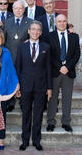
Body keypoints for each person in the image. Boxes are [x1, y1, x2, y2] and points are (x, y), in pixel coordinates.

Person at [16, 20, 52, 151]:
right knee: (26, 114)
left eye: (38, 30)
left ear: (41, 32)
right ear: (29, 31)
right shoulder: (21, 47)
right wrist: (17, 86)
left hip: (41, 87)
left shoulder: (46, 47)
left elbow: (48, 68)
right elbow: (18, 68)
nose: (35, 32)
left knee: (38, 115)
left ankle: (36, 141)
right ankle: (25, 141)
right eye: (33, 29)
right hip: (25, 86)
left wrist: (49, 88)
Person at [46, 14, 80, 133]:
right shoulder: (50, 36)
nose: (62, 23)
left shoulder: (74, 37)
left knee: (67, 98)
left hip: (69, 72)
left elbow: (77, 54)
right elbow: (49, 54)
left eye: (64, 21)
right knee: (52, 98)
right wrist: (60, 67)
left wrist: (67, 67)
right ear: (55, 23)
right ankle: (51, 122)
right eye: (59, 21)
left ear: (67, 22)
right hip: (55, 71)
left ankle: (66, 122)